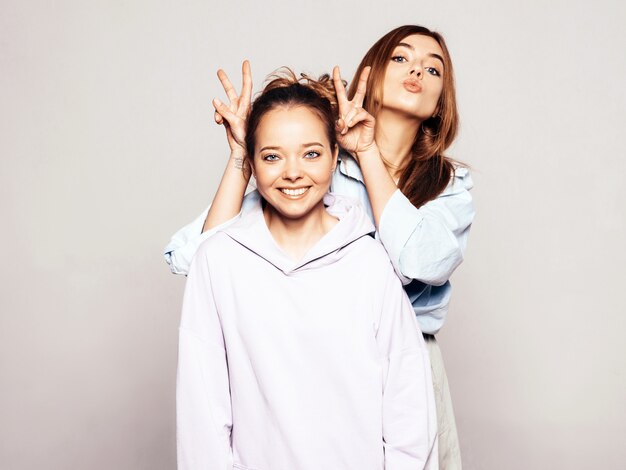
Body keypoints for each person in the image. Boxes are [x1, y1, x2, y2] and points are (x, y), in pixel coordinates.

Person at [166, 25, 474, 469]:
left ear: (442, 99)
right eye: (401, 59)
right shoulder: (310, 165)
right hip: (289, 360)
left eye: (433, 68)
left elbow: (418, 263)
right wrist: (240, 157)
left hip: (405, 364)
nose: (416, 72)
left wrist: (366, 154)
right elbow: (206, 265)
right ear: (371, 72)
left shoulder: (448, 185)